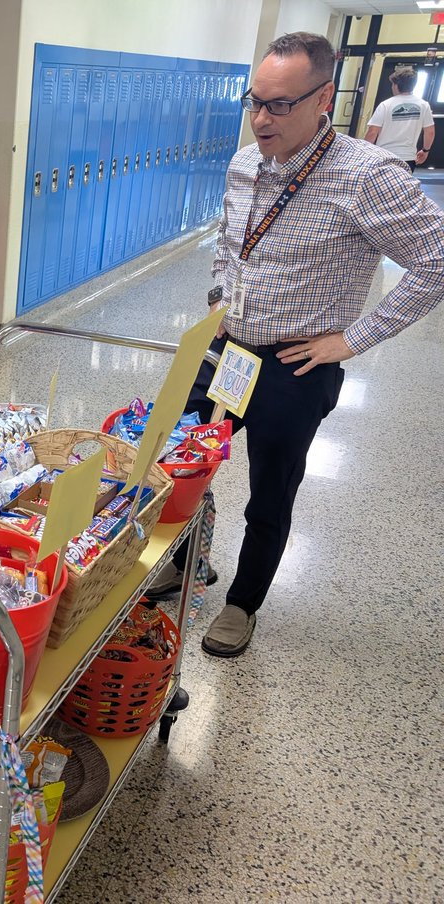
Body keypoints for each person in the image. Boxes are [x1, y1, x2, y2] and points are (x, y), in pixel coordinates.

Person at [152, 32, 444, 657]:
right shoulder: (243, 164)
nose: (262, 119)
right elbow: (231, 243)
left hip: (296, 364)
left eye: (280, 104)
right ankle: (185, 561)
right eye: (255, 101)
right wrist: (219, 296)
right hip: (228, 351)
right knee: (176, 464)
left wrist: (354, 339)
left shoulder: (367, 176)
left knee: (270, 491)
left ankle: (242, 603)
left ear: (323, 100)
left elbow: (435, 260)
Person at [365, 69, 434, 172]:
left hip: (384, 156)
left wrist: (364, 152)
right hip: (408, 158)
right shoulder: (424, 105)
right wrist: (425, 150)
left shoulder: (385, 105)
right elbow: (430, 132)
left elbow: (372, 132)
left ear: (396, 85)